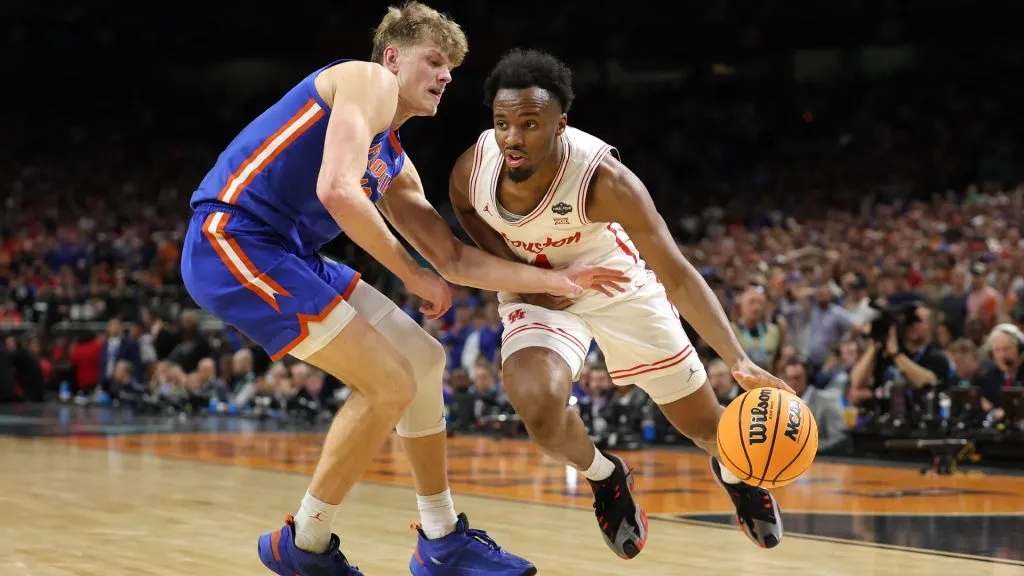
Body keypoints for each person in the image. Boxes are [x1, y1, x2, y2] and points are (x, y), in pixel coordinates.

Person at [180, 5, 625, 575]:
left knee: (424, 358)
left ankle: (441, 539)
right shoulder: (363, 81)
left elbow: (454, 258)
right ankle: (305, 543)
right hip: (231, 240)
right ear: (392, 58)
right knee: (388, 381)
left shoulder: (392, 157)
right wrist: (411, 274)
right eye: (434, 60)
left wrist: (557, 279)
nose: (445, 76)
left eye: (452, 68)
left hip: (287, 254)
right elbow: (338, 191)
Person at [449, 48, 793, 559]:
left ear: (560, 124)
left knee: (707, 428)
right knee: (540, 414)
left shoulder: (605, 181)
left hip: (614, 285)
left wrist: (738, 360)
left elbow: (676, 272)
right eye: (502, 124)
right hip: (541, 290)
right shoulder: (474, 168)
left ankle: (732, 470)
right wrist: (521, 274)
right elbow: (465, 211)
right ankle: (607, 476)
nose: (513, 139)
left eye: (529, 124)